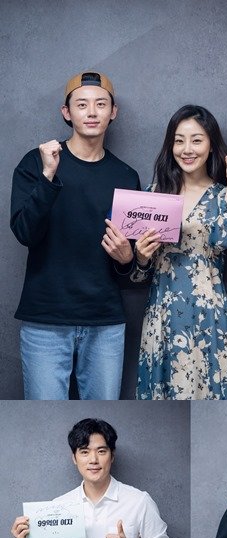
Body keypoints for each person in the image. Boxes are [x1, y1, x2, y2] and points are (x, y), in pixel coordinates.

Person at [10, 70, 140, 400]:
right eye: (81, 104)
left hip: (105, 322)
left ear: (113, 112)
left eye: (101, 104)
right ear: (66, 112)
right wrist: (48, 177)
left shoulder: (126, 176)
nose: (91, 112)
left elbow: (127, 263)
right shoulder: (36, 163)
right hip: (45, 320)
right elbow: (25, 233)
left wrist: (127, 258)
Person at [132, 104, 227, 399]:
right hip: (162, 310)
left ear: (211, 145)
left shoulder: (222, 194)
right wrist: (141, 257)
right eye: (179, 140)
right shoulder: (154, 194)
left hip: (208, 311)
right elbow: (139, 274)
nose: (187, 149)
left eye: (196, 140)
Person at [10, 417, 173, 538]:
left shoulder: (139, 501)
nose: (93, 460)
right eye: (84, 451)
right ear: (74, 457)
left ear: (112, 455)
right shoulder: (59, 506)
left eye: (101, 451)